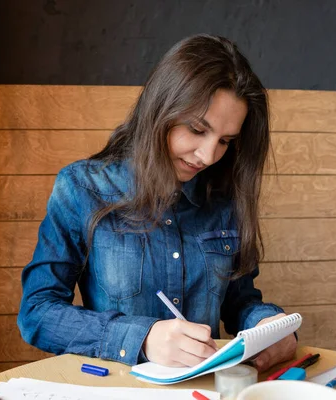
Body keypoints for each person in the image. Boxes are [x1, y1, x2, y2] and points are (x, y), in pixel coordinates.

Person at [17, 34, 297, 372]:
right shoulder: (82, 187)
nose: (208, 156)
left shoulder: (223, 200)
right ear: (161, 111)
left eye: (224, 140)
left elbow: (240, 300)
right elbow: (38, 312)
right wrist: (142, 338)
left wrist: (269, 325)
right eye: (196, 130)